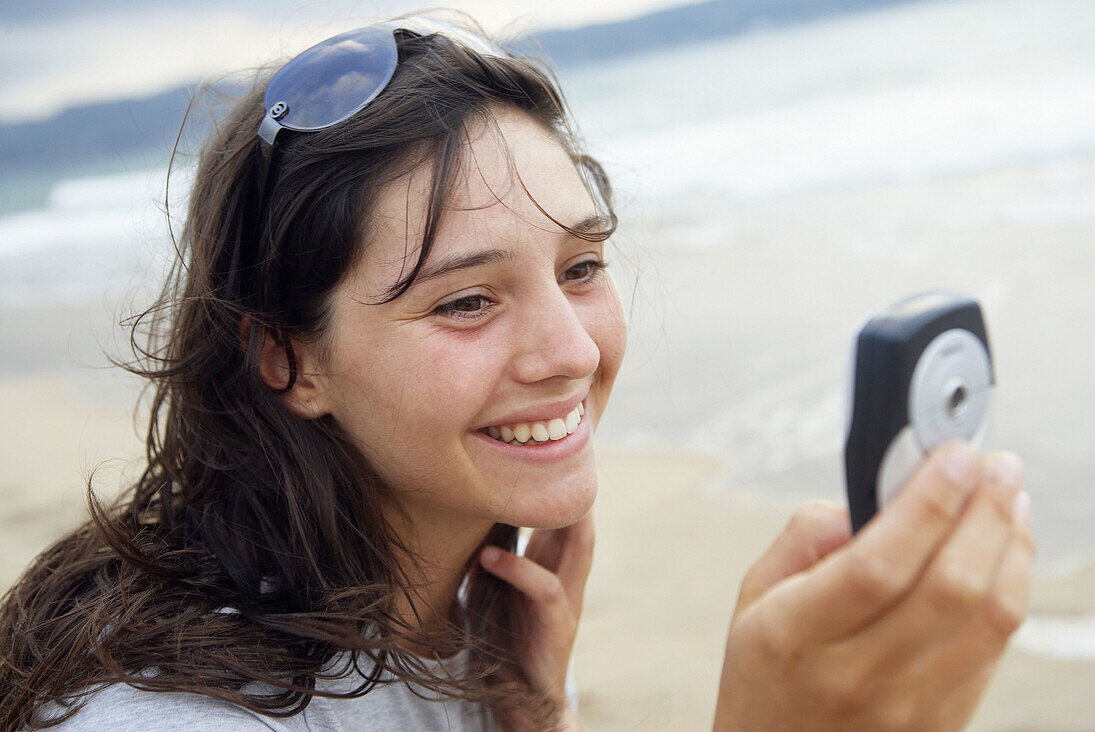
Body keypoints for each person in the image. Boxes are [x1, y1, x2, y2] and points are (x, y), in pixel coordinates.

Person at [0, 15, 1034, 732]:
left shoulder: (467, 626)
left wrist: (532, 713)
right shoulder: (160, 715)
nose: (573, 353)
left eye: (580, 267)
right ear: (286, 359)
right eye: (465, 301)